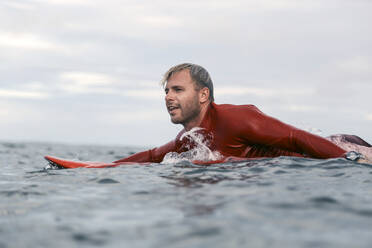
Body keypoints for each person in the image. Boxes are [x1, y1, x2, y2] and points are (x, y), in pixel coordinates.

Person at [115, 63, 371, 164]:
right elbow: (151, 156)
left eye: (178, 89)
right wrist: (103, 168)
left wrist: (351, 159)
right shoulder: (189, 139)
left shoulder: (235, 118)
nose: (168, 97)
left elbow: (295, 137)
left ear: (203, 95)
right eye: (167, 91)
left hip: (340, 148)